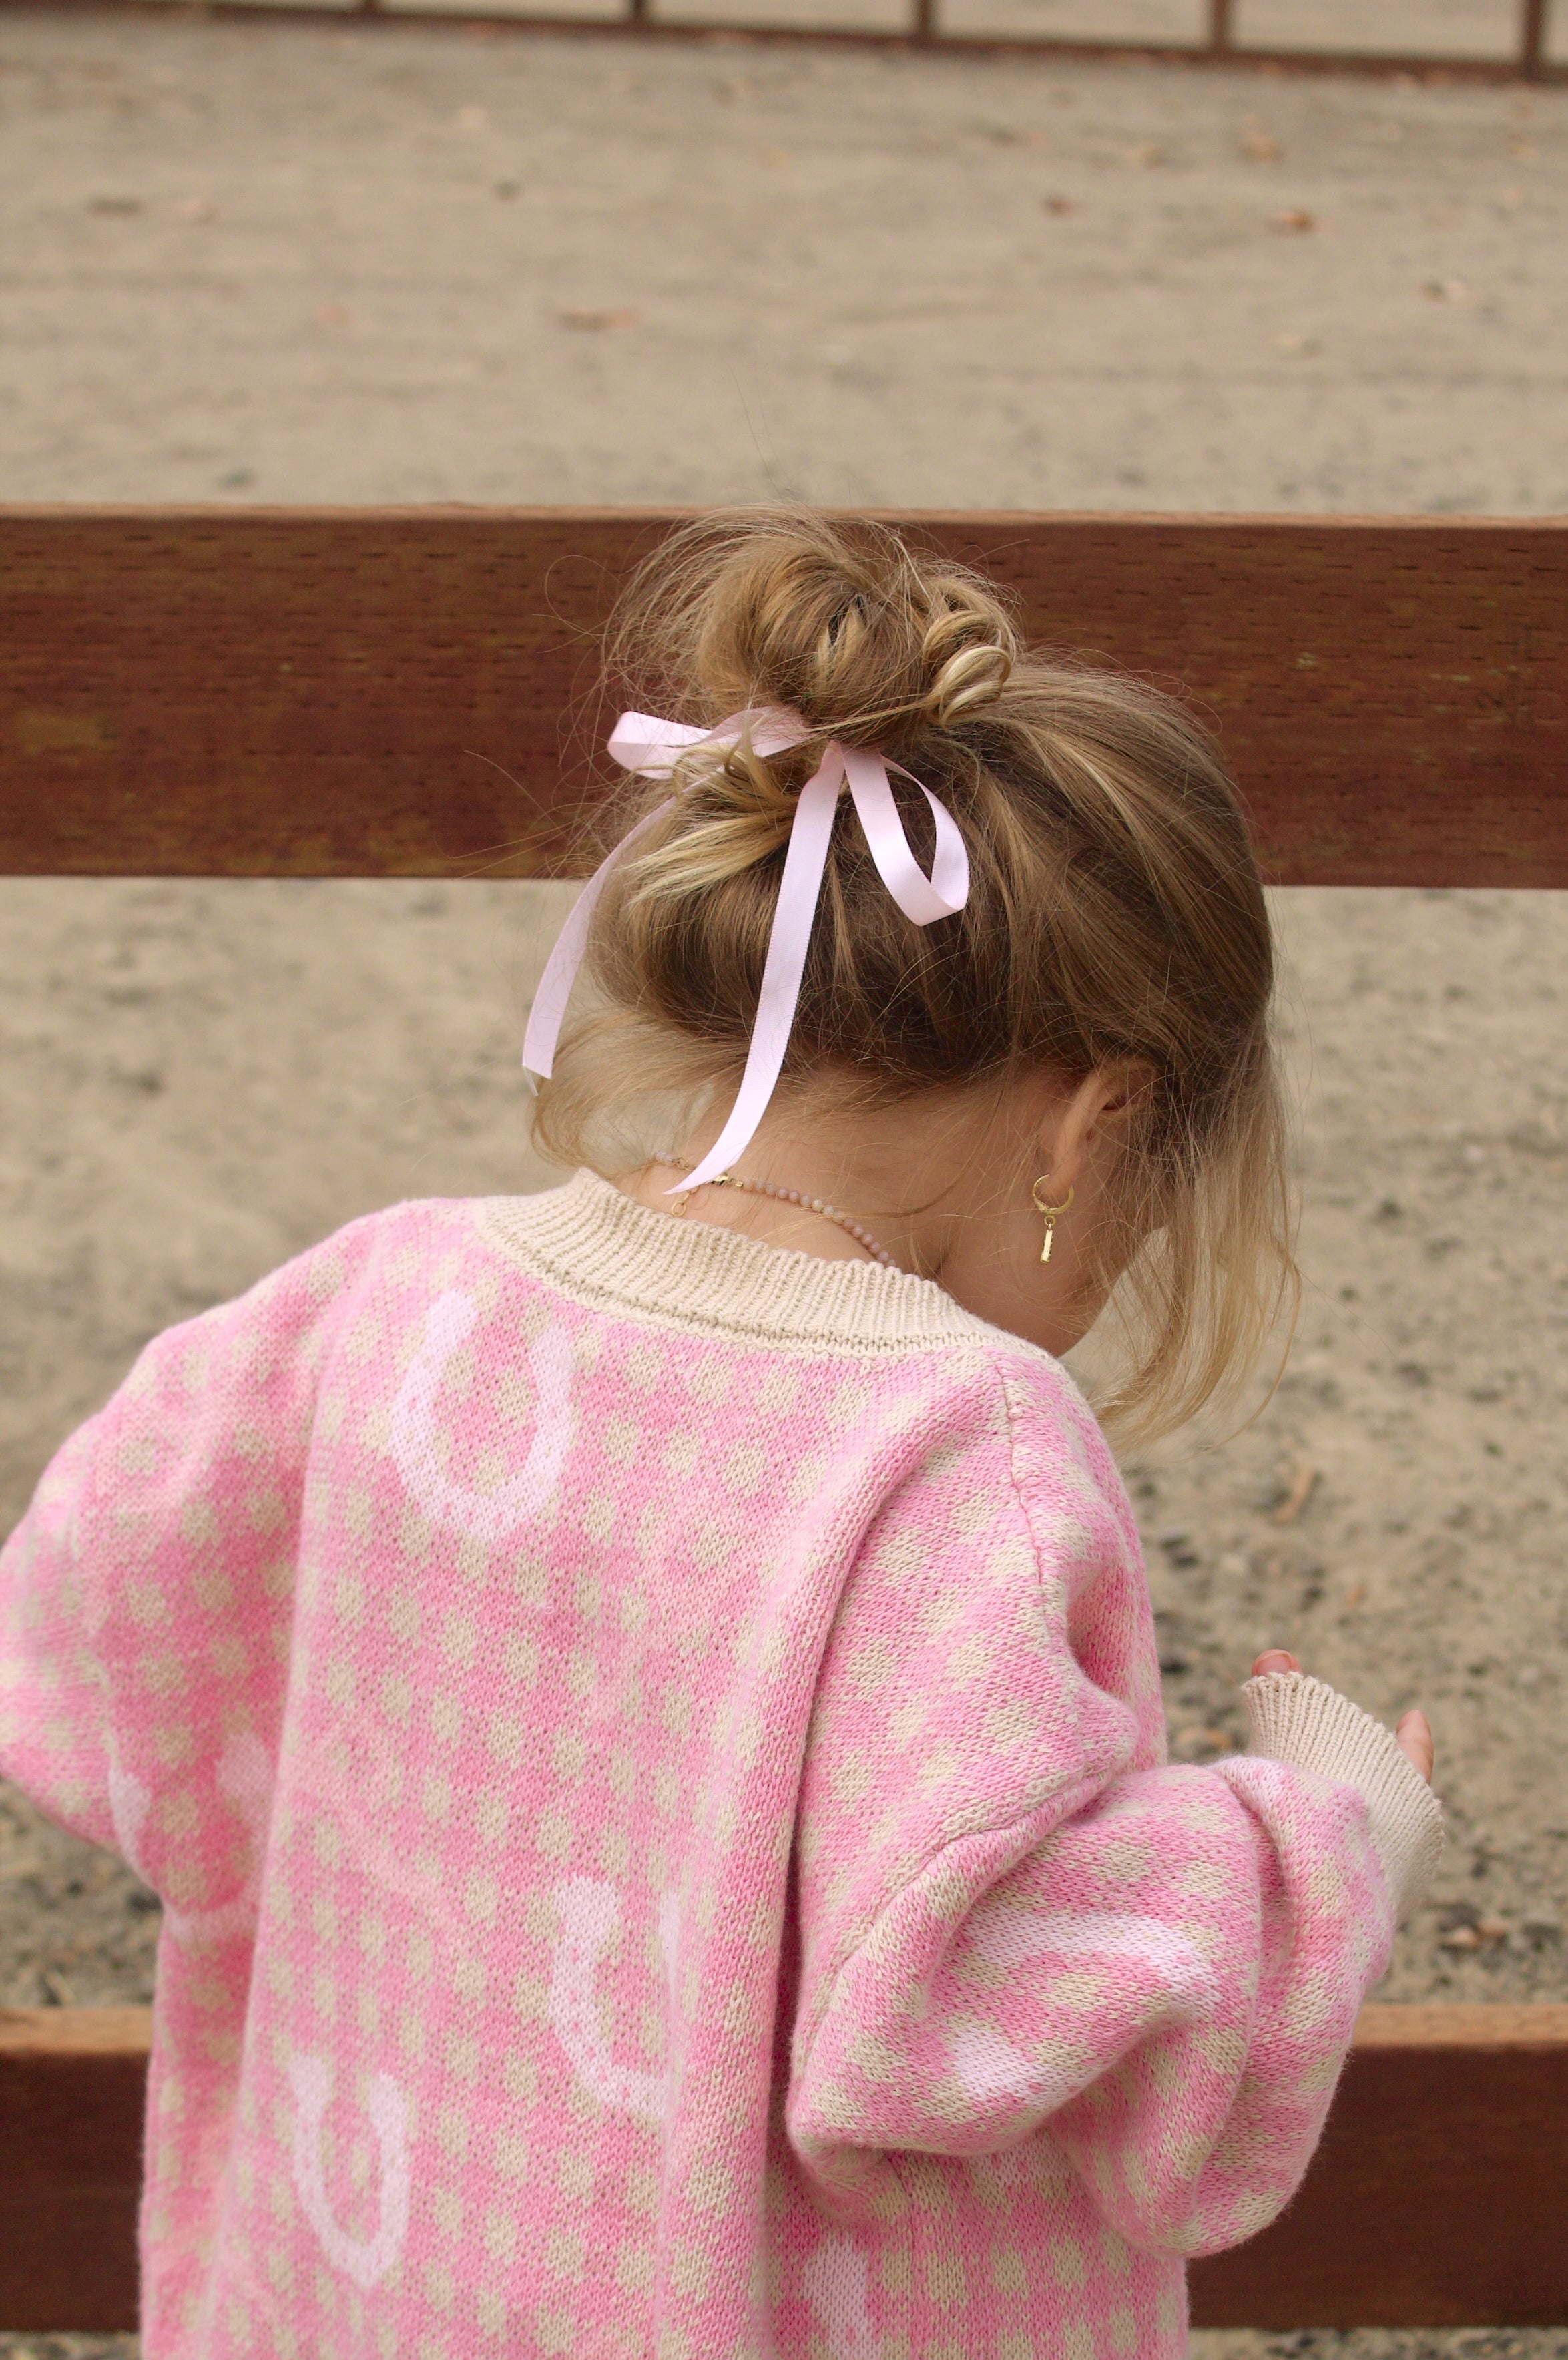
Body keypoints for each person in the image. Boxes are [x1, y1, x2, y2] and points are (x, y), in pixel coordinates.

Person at [0, 509, 1439, 2360]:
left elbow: (88, 1653)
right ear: (1092, 1126)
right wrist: (1322, 1841)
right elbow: (975, 1980)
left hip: (360, 2284)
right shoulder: (957, 1445)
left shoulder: (371, 1303)